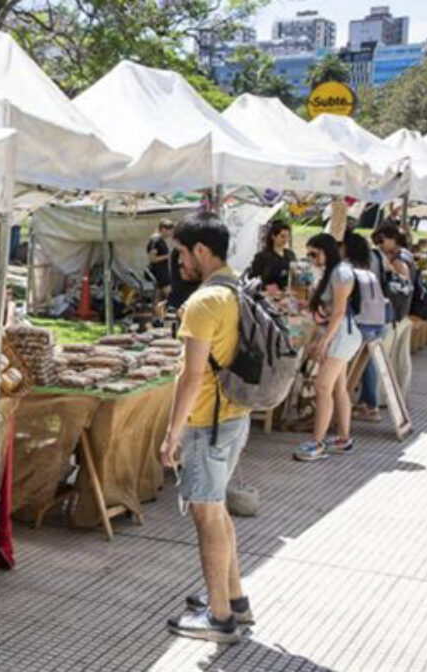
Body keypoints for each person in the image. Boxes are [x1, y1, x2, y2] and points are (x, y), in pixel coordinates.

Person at [159, 211, 250, 644]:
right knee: (217, 509)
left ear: (199, 250)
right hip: (234, 417)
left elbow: (190, 375)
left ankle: (218, 618)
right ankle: (233, 598)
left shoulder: (202, 302)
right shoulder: (236, 287)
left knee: (206, 515)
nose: (178, 262)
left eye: (180, 253)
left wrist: (172, 432)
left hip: (206, 423)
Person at [293, 234, 361, 461]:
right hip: (340, 335)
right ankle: (343, 438)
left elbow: (339, 311)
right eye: (309, 253)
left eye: (314, 253)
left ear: (327, 251)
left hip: (342, 336)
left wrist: (324, 340)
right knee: (337, 388)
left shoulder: (340, 273)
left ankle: (317, 442)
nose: (311, 258)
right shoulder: (335, 272)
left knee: (322, 387)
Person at [344, 233, 389, 422]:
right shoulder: (369, 268)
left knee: (365, 364)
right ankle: (366, 403)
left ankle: (370, 405)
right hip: (380, 319)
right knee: (368, 363)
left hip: (364, 322)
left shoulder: (349, 272)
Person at [372, 225, 414, 400]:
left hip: (397, 314)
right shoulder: (407, 254)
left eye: (381, 241)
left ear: (392, 238)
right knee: (400, 356)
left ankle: (384, 397)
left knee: (389, 357)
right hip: (405, 313)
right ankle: (400, 395)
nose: (379, 245)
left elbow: (400, 287)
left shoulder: (399, 260)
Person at [246, 221, 296, 290]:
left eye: (288, 236)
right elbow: (252, 279)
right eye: (282, 236)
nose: (286, 239)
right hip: (266, 295)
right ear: (273, 236)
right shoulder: (262, 256)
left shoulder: (290, 255)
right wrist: (266, 287)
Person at [147, 220, 175, 297]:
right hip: (160, 273)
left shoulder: (159, 239)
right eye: (170, 231)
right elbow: (152, 258)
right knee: (170, 296)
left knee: (158, 298)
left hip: (161, 272)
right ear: (163, 229)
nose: (170, 234)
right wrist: (168, 256)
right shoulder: (156, 240)